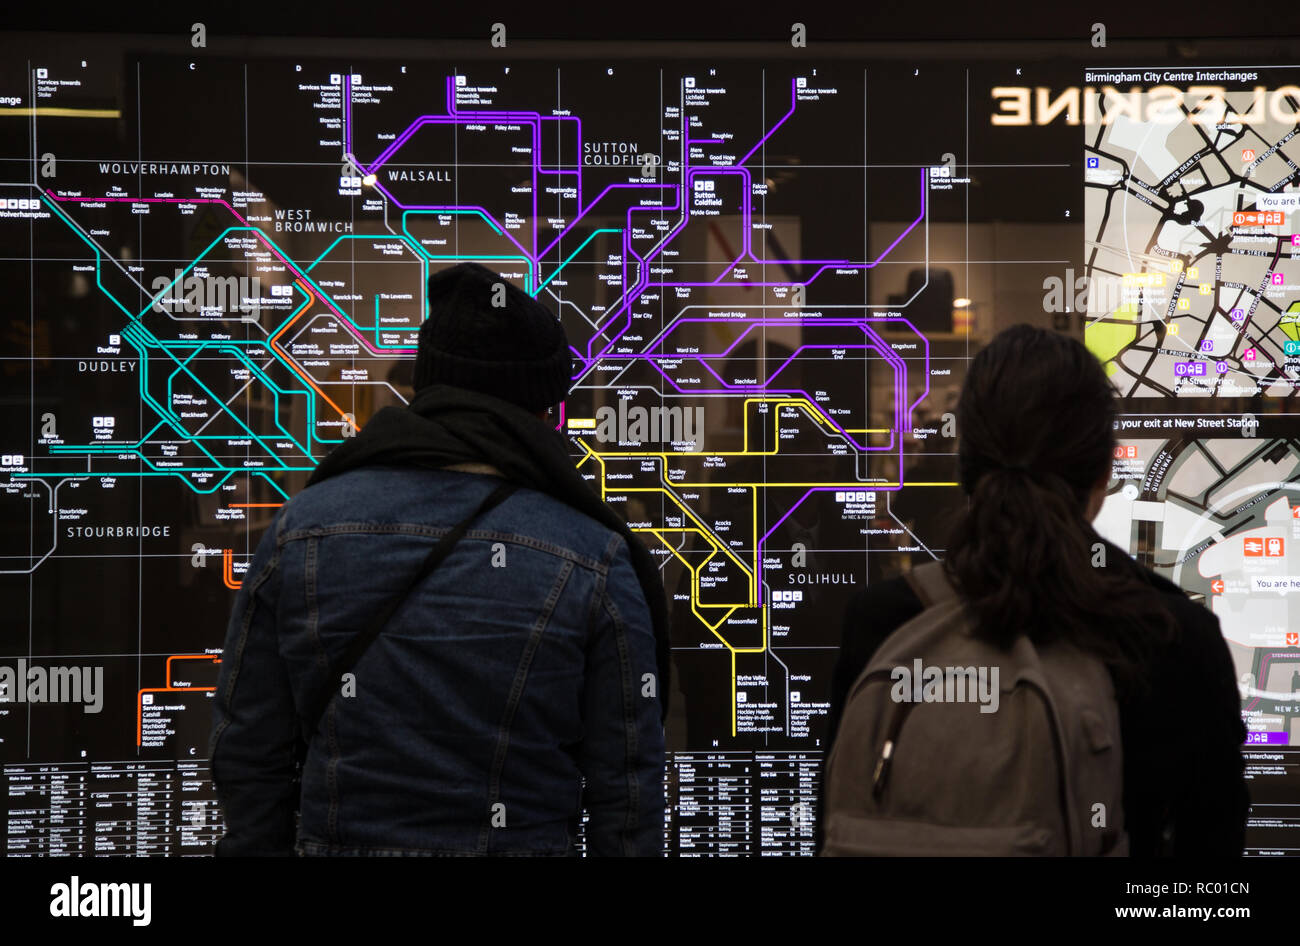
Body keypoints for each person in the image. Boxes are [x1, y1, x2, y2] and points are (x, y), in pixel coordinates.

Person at [209, 262, 669, 856]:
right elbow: (628, 790)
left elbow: (249, 749)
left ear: (427, 388)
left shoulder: (301, 530)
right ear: (539, 411)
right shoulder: (595, 558)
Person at [818, 324, 1249, 855]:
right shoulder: (1174, 637)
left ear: (966, 466)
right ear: (1101, 474)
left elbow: (835, 818)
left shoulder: (883, 622)